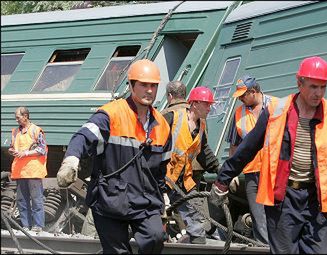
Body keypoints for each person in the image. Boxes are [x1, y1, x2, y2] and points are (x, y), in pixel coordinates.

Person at [210, 56, 327, 253]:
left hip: (315, 201)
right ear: (299, 82)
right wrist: (222, 181)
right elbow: (247, 148)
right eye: (313, 87)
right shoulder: (277, 112)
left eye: (322, 87)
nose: (318, 93)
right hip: (283, 200)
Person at [56, 59, 172, 254]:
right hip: (110, 200)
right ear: (131, 85)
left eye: (153, 85)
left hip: (145, 201)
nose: (149, 90)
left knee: (155, 237)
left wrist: (164, 195)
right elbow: (83, 135)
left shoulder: (162, 125)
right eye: (144, 85)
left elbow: (161, 168)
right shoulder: (111, 114)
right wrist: (71, 160)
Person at [162, 84, 220, 244]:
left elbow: (203, 153)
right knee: (155, 219)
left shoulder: (200, 125)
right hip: (162, 177)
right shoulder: (172, 117)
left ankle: (196, 243)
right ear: (194, 104)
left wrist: (219, 170)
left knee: (197, 222)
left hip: (184, 180)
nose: (209, 108)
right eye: (206, 104)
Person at [225, 75, 273, 244]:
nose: (240, 99)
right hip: (252, 172)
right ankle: (263, 247)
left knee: (278, 214)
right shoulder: (239, 113)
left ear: (253, 91)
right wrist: (232, 174)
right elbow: (234, 146)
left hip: (274, 171)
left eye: (243, 95)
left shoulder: (276, 106)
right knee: (258, 215)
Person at [8, 106, 48, 233]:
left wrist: (25, 153)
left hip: (33, 171)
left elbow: (42, 149)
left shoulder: (36, 130)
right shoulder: (15, 132)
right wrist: (12, 151)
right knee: (22, 200)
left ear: (25, 116)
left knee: (36, 199)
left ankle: (38, 225)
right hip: (20, 172)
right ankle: (26, 225)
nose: (16, 120)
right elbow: (13, 146)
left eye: (18, 117)